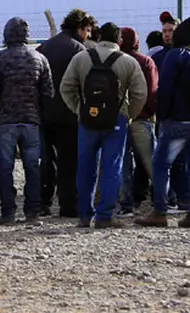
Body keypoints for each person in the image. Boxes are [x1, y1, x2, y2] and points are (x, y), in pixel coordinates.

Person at [60, 23, 147, 228]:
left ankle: (84, 215)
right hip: (116, 120)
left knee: (86, 167)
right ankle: (105, 216)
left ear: (98, 37)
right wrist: (128, 115)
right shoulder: (128, 62)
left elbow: (66, 88)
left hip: (88, 118)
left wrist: (79, 109)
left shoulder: (80, 58)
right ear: (119, 41)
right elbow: (140, 93)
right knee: (112, 167)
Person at [136, 17, 190, 228]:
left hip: (178, 121)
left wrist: (162, 117)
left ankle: (160, 211)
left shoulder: (176, 55)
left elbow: (165, 90)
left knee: (161, 164)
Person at [0, 18, 54, 225]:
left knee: (5, 168)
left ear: (6, 35)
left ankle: (8, 213)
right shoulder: (39, 58)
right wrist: (39, 113)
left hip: (5, 120)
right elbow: (48, 92)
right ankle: (32, 212)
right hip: (31, 121)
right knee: (32, 167)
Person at [36, 8, 95, 218]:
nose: (88, 35)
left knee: (46, 160)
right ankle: (68, 205)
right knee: (69, 162)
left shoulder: (45, 46)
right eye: (87, 30)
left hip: (45, 112)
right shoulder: (80, 50)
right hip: (70, 114)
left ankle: (43, 202)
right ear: (79, 28)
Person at [117, 27, 158, 215]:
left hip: (120, 119)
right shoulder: (145, 61)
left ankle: (125, 204)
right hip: (142, 119)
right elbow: (151, 91)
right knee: (152, 162)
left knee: (123, 164)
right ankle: (163, 201)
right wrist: (149, 112)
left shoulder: (114, 61)